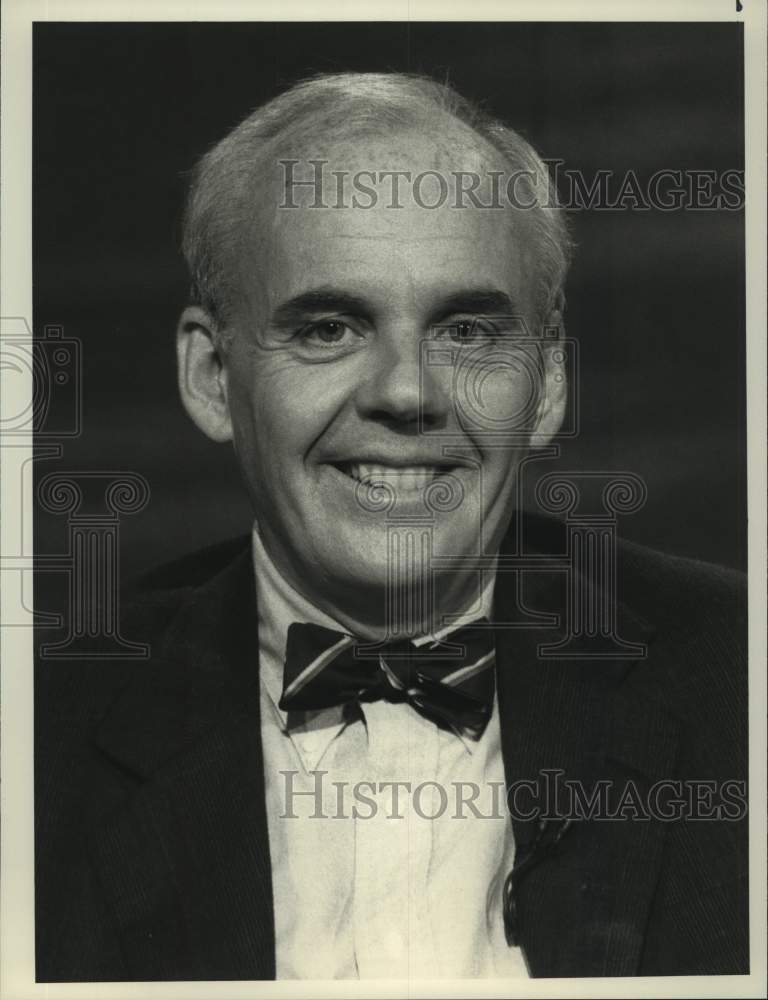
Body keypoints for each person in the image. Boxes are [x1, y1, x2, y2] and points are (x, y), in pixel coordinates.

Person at [35, 72, 748, 981]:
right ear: (212, 376)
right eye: (329, 328)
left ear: (549, 385)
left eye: (468, 332)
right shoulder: (39, 733)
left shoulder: (741, 680)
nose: (407, 392)